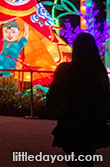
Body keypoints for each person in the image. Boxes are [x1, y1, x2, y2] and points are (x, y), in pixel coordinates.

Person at [47, 33, 110, 166]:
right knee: (87, 157)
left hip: (70, 121)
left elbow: (55, 94)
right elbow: (104, 97)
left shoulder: (65, 70)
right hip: (92, 122)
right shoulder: (98, 71)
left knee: (74, 158)